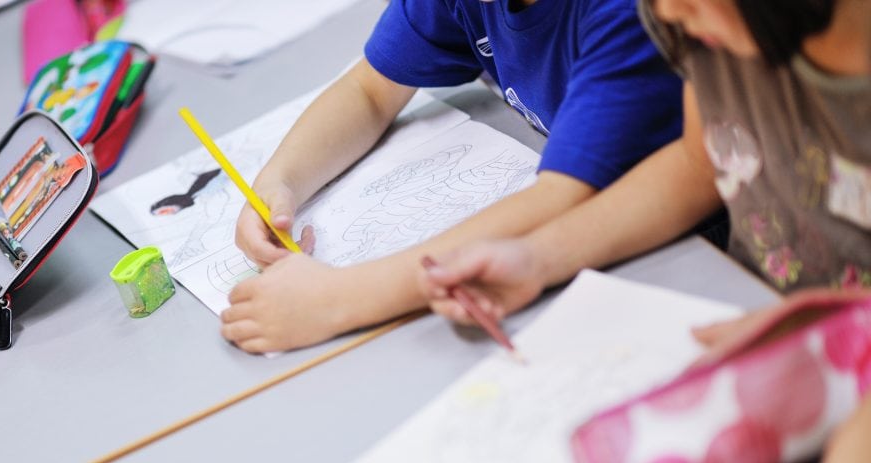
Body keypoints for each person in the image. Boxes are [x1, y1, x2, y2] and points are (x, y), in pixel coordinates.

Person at [419, 1, 871, 463]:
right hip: (759, 350)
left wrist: (831, 318)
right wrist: (540, 258)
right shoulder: (691, 13)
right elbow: (698, 159)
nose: (663, 13)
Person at [219, 0, 684, 353]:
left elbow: (563, 199)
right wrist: (280, 181)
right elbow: (369, 91)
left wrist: (343, 298)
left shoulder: (625, 14)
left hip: (674, 262)